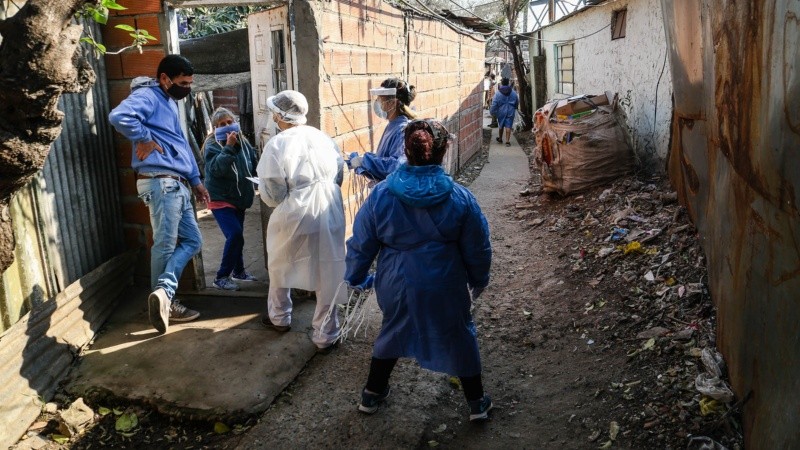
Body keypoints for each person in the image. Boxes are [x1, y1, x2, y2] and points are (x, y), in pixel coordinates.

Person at [345, 119, 493, 421]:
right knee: (458, 334)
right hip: (445, 281)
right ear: (444, 150)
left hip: (396, 281)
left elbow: (361, 243)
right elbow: (478, 248)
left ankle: (371, 395)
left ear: (406, 150)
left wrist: (356, 277)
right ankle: (477, 403)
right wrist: (479, 279)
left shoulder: (382, 194)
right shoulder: (461, 198)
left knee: (393, 329)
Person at [109, 54, 206, 333]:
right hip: (162, 184)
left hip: (176, 183)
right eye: (182, 82)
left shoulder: (168, 102)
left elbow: (180, 143)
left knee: (193, 240)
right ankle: (166, 300)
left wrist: (196, 181)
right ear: (164, 78)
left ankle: (163, 292)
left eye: (190, 83)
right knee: (164, 244)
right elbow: (119, 116)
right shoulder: (150, 96)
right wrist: (144, 139)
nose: (187, 88)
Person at [256, 90, 346, 353]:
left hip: (295, 211)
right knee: (328, 269)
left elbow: (272, 193)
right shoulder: (323, 137)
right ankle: (325, 335)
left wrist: (291, 195)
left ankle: (280, 318)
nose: (273, 116)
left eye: (274, 112)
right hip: (330, 207)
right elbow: (338, 174)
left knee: (280, 262)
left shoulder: (277, 143)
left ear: (280, 115)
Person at [203, 107, 259, 291]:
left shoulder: (244, 143)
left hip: (239, 198)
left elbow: (253, 164)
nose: (227, 126)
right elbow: (217, 169)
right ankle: (221, 277)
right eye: (221, 124)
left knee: (238, 237)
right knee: (234, 234)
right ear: (214, 128)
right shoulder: (211, 145)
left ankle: (239, 272)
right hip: (220, 198)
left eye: (229, 122)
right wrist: (228, 147)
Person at [346, 78, 416, 181]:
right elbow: (385, 158)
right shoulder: (393, 126)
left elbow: (396, 166)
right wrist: (360, 163)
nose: (378, 103)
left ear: (392, 103)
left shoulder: (402, 130)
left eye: (380, 99)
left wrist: (365, 161)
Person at [490, 77, 519, 147]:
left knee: (501, 124)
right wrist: (515, 107)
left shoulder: (498, 93)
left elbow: (494, 103)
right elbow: (517, 101)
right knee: (508, 125)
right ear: (508, 83)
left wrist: (492, 111)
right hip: (510, 110)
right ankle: (507, 141)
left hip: (501, 111)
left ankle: (500, 138)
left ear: (502, 83)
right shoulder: (513, 93)